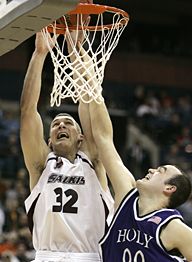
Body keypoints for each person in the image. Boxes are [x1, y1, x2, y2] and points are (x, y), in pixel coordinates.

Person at [20, 32, 114, 262]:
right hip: (46, 257)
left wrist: (76, 52)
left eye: (68, 122)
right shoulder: (42, 165)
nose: (61, 124)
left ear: (81, 138)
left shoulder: (93, 161)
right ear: (49, 141)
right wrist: (40, 53)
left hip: (90, 256)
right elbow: (28, 111)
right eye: (55, 124)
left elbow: (91, 101)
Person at [87, 92, 192, 261]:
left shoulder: (173, 228)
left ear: (169, 188)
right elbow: (103, 139)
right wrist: (92, 87)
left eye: (161, 170)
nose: (152, 170)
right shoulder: (126, 198)